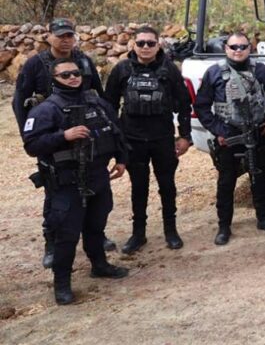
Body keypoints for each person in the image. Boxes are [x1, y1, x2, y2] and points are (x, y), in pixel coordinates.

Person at [21, 58, 130, 305]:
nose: (73, 78)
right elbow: (32, 145)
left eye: (76, 73)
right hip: (67, 182)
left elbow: (115, 131)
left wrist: (122, 159)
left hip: (99, 177)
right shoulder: (46, 110)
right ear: (54, 79)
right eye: (65, 75)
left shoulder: (96, 102)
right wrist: (64, 135)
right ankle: (62, 284)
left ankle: (99, 265)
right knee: (66, 234)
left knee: (96, 226)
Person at [12, 18, 114, 266]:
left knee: (93, 186)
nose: (66, 40)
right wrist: (31, 136)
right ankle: (52, 243)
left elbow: (99, 95)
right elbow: (19, 101)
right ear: (49, 36)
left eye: (69, 35)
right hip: (52, 135)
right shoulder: (35, 64)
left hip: (85, 133)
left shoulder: (84, 61)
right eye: (60, 36)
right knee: (56, 192)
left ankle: (95, 237)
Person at [103, 26, 193, 254]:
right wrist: (115, 139)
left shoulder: (169, 69)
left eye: (150, 43)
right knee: (139, 187)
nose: (145, 47)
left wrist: (185, 136)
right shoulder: (122, 69)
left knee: (167, 186)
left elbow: (184, 103)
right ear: (133, 45)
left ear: (158, 45)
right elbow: (109, 106)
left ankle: (171, 231)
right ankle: (138, 233)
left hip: (162, 139)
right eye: (141, 43)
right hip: (132, 139)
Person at [194, 32, 265, 245]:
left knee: (259, 177)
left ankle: (263, 219)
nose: (238, 51)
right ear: (226, 48)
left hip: (256, 133)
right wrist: (219, 131)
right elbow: (201, 106)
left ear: (249, 48)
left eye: (243, 46)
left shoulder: (260, 70)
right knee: (226, 182)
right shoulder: (214, 72)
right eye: (234, 47)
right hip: (229, 136)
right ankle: (224, 226)